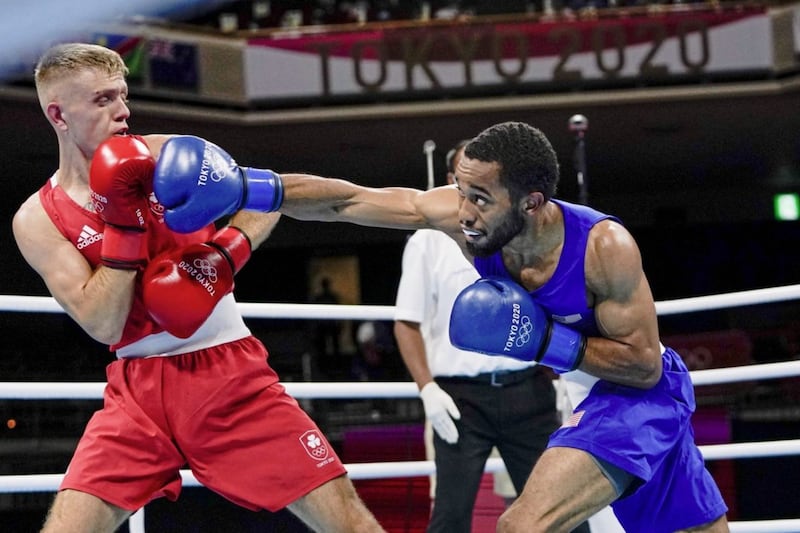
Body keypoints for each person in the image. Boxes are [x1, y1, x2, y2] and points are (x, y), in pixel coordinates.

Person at [152, 120, 730, 532]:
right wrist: (251, 187)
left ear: (530, 203)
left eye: (480, 197)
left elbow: (644, 364)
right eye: (461, 190)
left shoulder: (604, 246)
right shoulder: (462, 218)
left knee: (524, 525)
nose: (464, 211)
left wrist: (543, 341)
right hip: (590, 395)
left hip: (639, 397)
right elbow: (350, 202)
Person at [12, 42, 384, 533]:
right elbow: (102, 321)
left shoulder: (168, 154)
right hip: (137, 392)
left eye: (122, 95)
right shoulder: (39, 218)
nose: (122, 111)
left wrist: (225, 255)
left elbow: (262, 200)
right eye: (103, 100)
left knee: (349, 524)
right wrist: (125, 224)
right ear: (58, 114)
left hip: (231, 374)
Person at [393, 140, 566, 532]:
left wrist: (564, 374)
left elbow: (555, 304)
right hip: (461, 400)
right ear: (451, 181)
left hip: (528, 390)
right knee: (451, 515)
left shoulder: (522, 231)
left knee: (558, 510)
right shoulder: (427, 240)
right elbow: (407, 322)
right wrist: (427, 389)